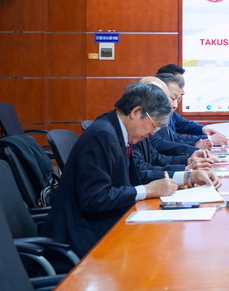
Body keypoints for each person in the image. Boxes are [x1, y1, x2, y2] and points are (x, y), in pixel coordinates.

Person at [41, 82, 180, 257]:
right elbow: (94, 198)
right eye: (154, 125)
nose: (153, 133)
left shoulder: (116, 131)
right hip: (82, 237)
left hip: (102, 222)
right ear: (136, 112)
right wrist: (148, 190)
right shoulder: (103, 135)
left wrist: (183, 178)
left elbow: (134, 178)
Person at [156, 63, 228, 147]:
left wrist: (203, 129)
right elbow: (174, 140)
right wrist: (209, 139)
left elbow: (183, 124)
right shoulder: (155, 115)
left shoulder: (168, 111)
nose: (183, 92)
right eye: (179, 86)